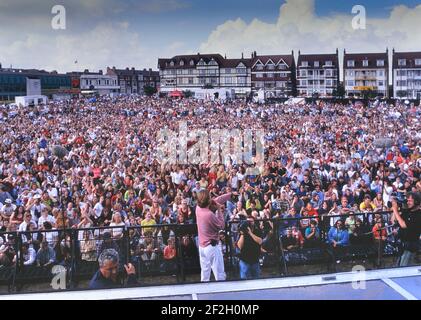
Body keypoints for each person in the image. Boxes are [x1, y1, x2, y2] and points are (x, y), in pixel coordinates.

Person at [195, 189, 231, 282]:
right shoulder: (209, 215)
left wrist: (230, 194)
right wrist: (219, 210)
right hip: (211, 248)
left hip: (202, 247)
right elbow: (221, 225)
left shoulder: (198, 208)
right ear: (207, 200)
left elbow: (216, 200)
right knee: (220, 275)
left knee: (205, 275)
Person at [391, 192, 421, 267]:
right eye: (407, 200)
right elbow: (393, 220)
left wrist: (395, 210)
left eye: (410, 201)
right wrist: (395, 209)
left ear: (416, 201)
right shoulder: (408, 211)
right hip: (402, 245)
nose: (408, 202)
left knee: (403, 268)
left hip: (410, 246)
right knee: (398, 267)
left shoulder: (418, 214)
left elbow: (403, 225)